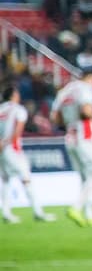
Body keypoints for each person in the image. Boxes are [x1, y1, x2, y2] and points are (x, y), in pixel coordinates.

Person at [51, 70, 92, 226]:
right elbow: (86, 111)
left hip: (70, 137)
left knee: (85, 178)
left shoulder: (65, 90)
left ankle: (89, 215)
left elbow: (54, 117)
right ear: (90, 78)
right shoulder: (85, 88)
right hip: (86, 136)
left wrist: (70, 123)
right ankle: (76, 208)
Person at [0, 87, 54, 223]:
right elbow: (17, 131)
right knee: (26, 179)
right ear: (13, 95)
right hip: (12, 149)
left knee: (6, 180)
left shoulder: (1, 110)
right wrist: (7, 142)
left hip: (1, 150)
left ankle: (6, 213)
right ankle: (38, 212)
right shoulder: (19, 110)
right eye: (17, 93)